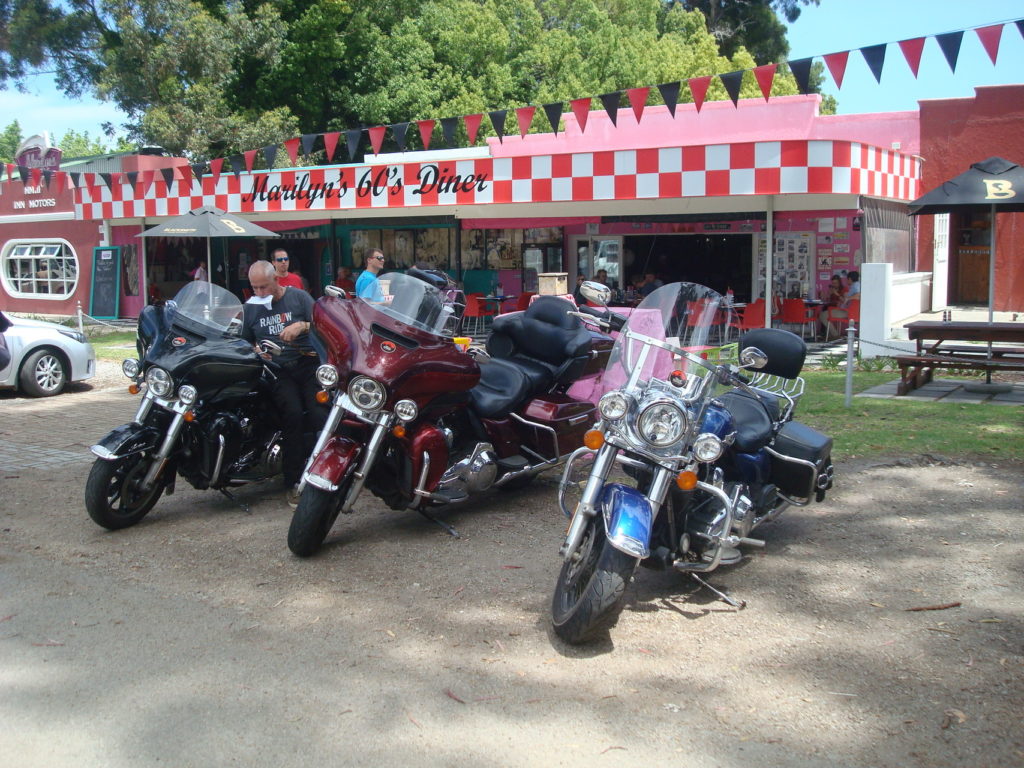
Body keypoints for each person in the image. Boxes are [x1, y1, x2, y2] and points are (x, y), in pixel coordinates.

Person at [241, 260, 327, 507]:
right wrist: (257, 350)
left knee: (319, 412)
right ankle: (293, 481)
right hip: (277, 369)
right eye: (254, 288)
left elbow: (324, 326)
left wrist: (302, 325)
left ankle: (328, 470)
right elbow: (244, 341)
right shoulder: (251, 309)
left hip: (307, 363)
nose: (259, 293)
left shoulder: (299, 298)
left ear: (276, 281)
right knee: (291, 415)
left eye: (263, 287)